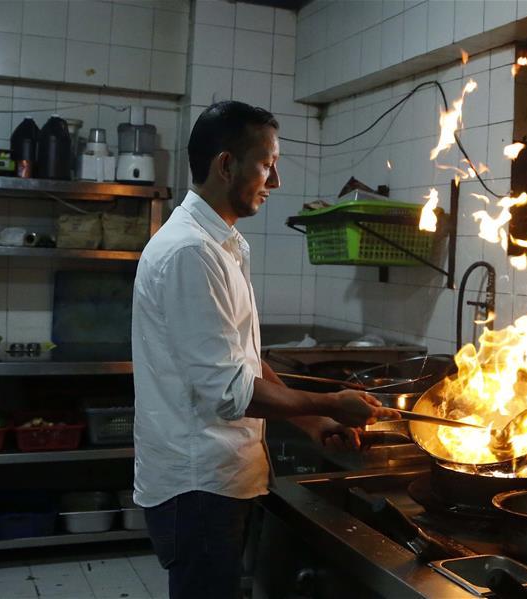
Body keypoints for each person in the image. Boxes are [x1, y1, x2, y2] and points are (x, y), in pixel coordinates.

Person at [131, 101, 394, 599]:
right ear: (226, 164)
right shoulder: (192, 252)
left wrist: (313, 421)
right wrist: (330, 402)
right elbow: (231, 392)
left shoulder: (224, 245)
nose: (275, 181)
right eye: (267, 164)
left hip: (217, 479)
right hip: (198, 486)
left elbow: (245, 363)